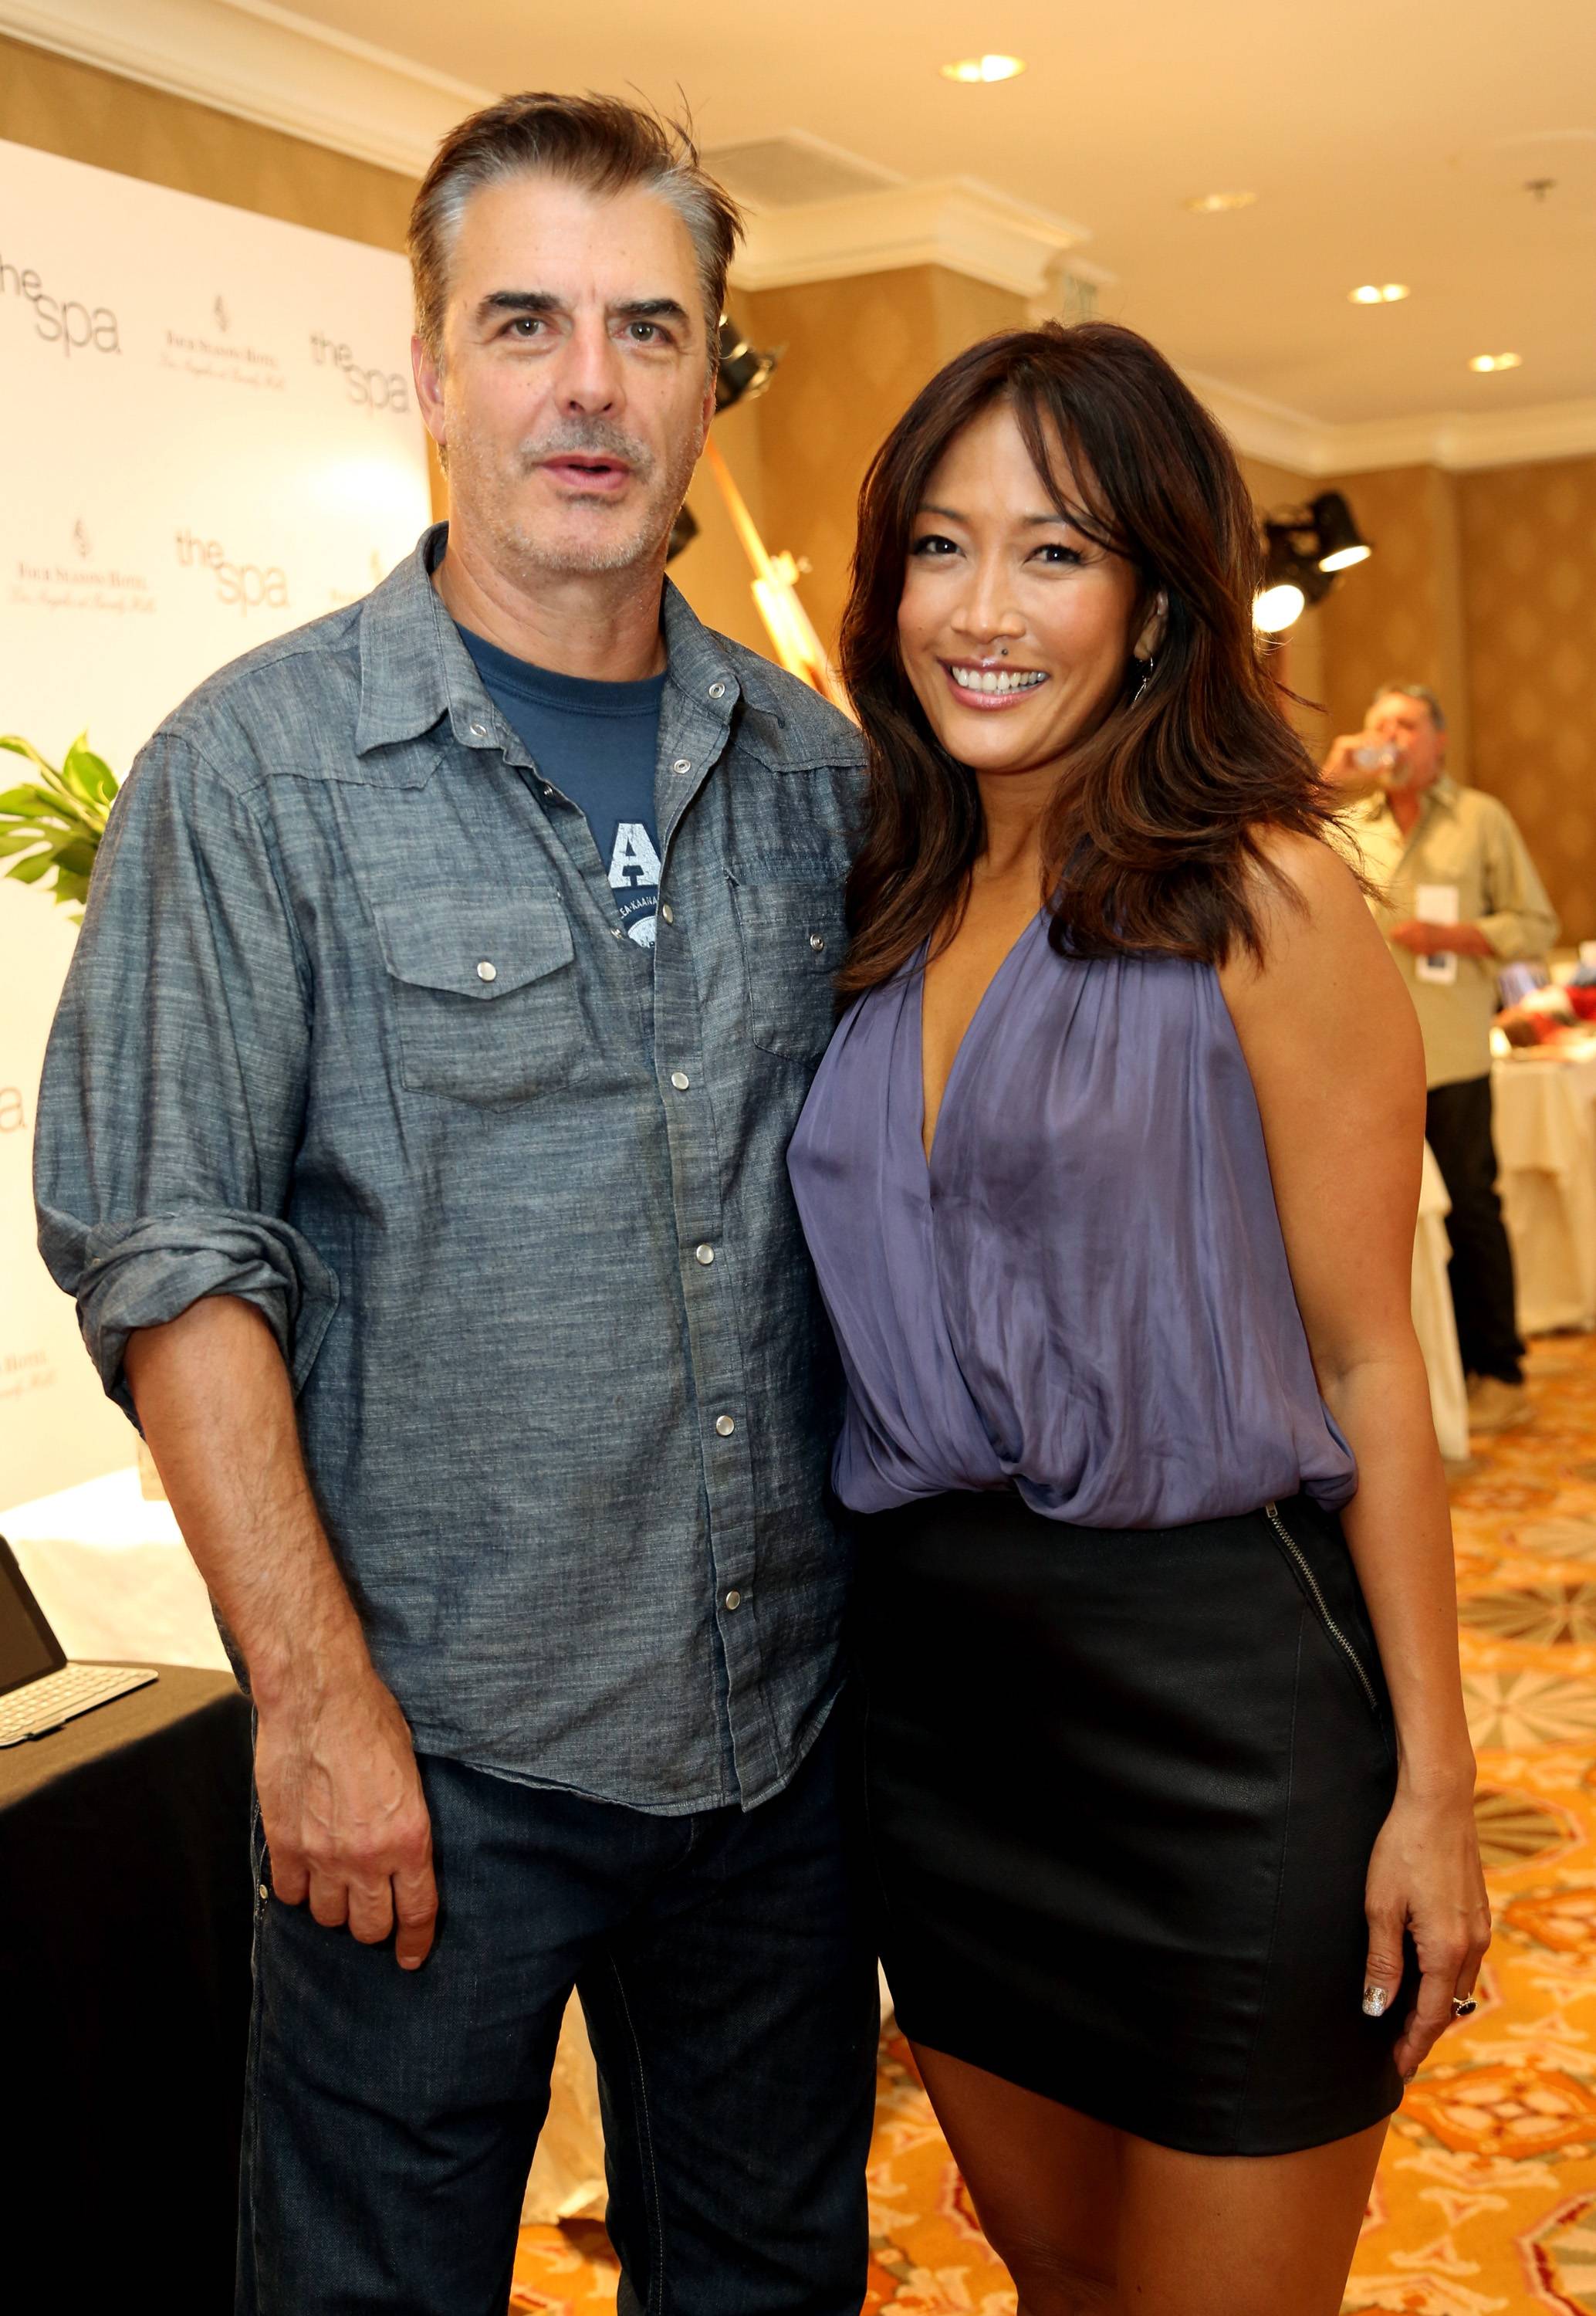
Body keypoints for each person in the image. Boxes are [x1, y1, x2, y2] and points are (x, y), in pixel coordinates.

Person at [35, 93, 877, 2316]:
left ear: (708, 381)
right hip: (429, 1767)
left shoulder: (817, 779)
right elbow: (171, 1258)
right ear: (427, 372)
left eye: (645, 328)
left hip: (782, 1750)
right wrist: (314, 1710)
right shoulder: (254, 774)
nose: (587, 385)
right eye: (524, 324)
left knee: (775, 2286)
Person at [788, 322, 1490, 2316]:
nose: (981, 612)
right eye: (940, 549)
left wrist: (1434, 1789)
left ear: (1158, 599)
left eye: (1053, 553)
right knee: (1060, 2290)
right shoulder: (878, 898)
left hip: (1222, 1717)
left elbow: (1368, 1362)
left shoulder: (1263, 897)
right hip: (936, 1725)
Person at [1324, 687, 1558, 1433]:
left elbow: (1535, 924)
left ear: (1439, 741)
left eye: (1406, 724)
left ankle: (1500, 1373)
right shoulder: (1345, 823)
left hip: (1453, 1055)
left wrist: (1456, 938)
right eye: (1380, 723)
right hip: (1367, 1066)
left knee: (1472, 1209)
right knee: (1389, 1225)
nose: (1390, 735)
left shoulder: (1480, 819)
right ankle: (1425, 1382)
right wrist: (1329, 778)